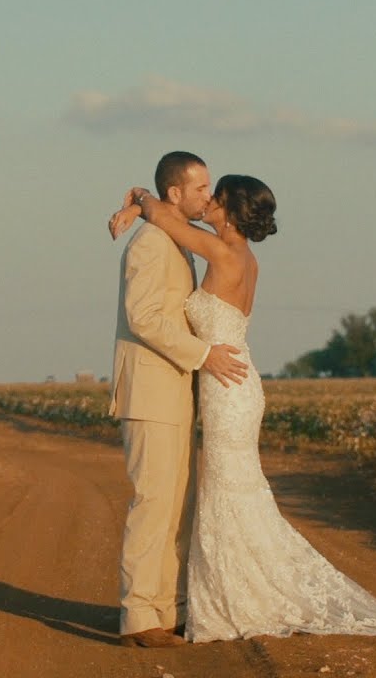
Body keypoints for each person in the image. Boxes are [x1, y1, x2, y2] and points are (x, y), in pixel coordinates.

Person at [109, 175, 376, 643]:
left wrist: (139, 200)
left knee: (226, 494)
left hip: (226, 383)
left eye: (215, 198)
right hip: (232, 383)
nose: (208, 202)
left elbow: (164, 217)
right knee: (230, 493)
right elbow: (169, 218)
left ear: (231, 212)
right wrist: (141, 202)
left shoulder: (221, 252)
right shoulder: (241, 257)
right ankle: (228, 596)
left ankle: (234, 599)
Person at [108, 151, 249, 649]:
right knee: (154, 503)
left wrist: (138, 199)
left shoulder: (173, 236)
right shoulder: (150, 244)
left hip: (176, 390)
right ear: (175, 194)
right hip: (151, 391)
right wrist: (204, 354)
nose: (208, 197)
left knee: (176, 507)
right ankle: (140, 618)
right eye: (199, 189)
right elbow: (145, 317)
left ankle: (168, 610)